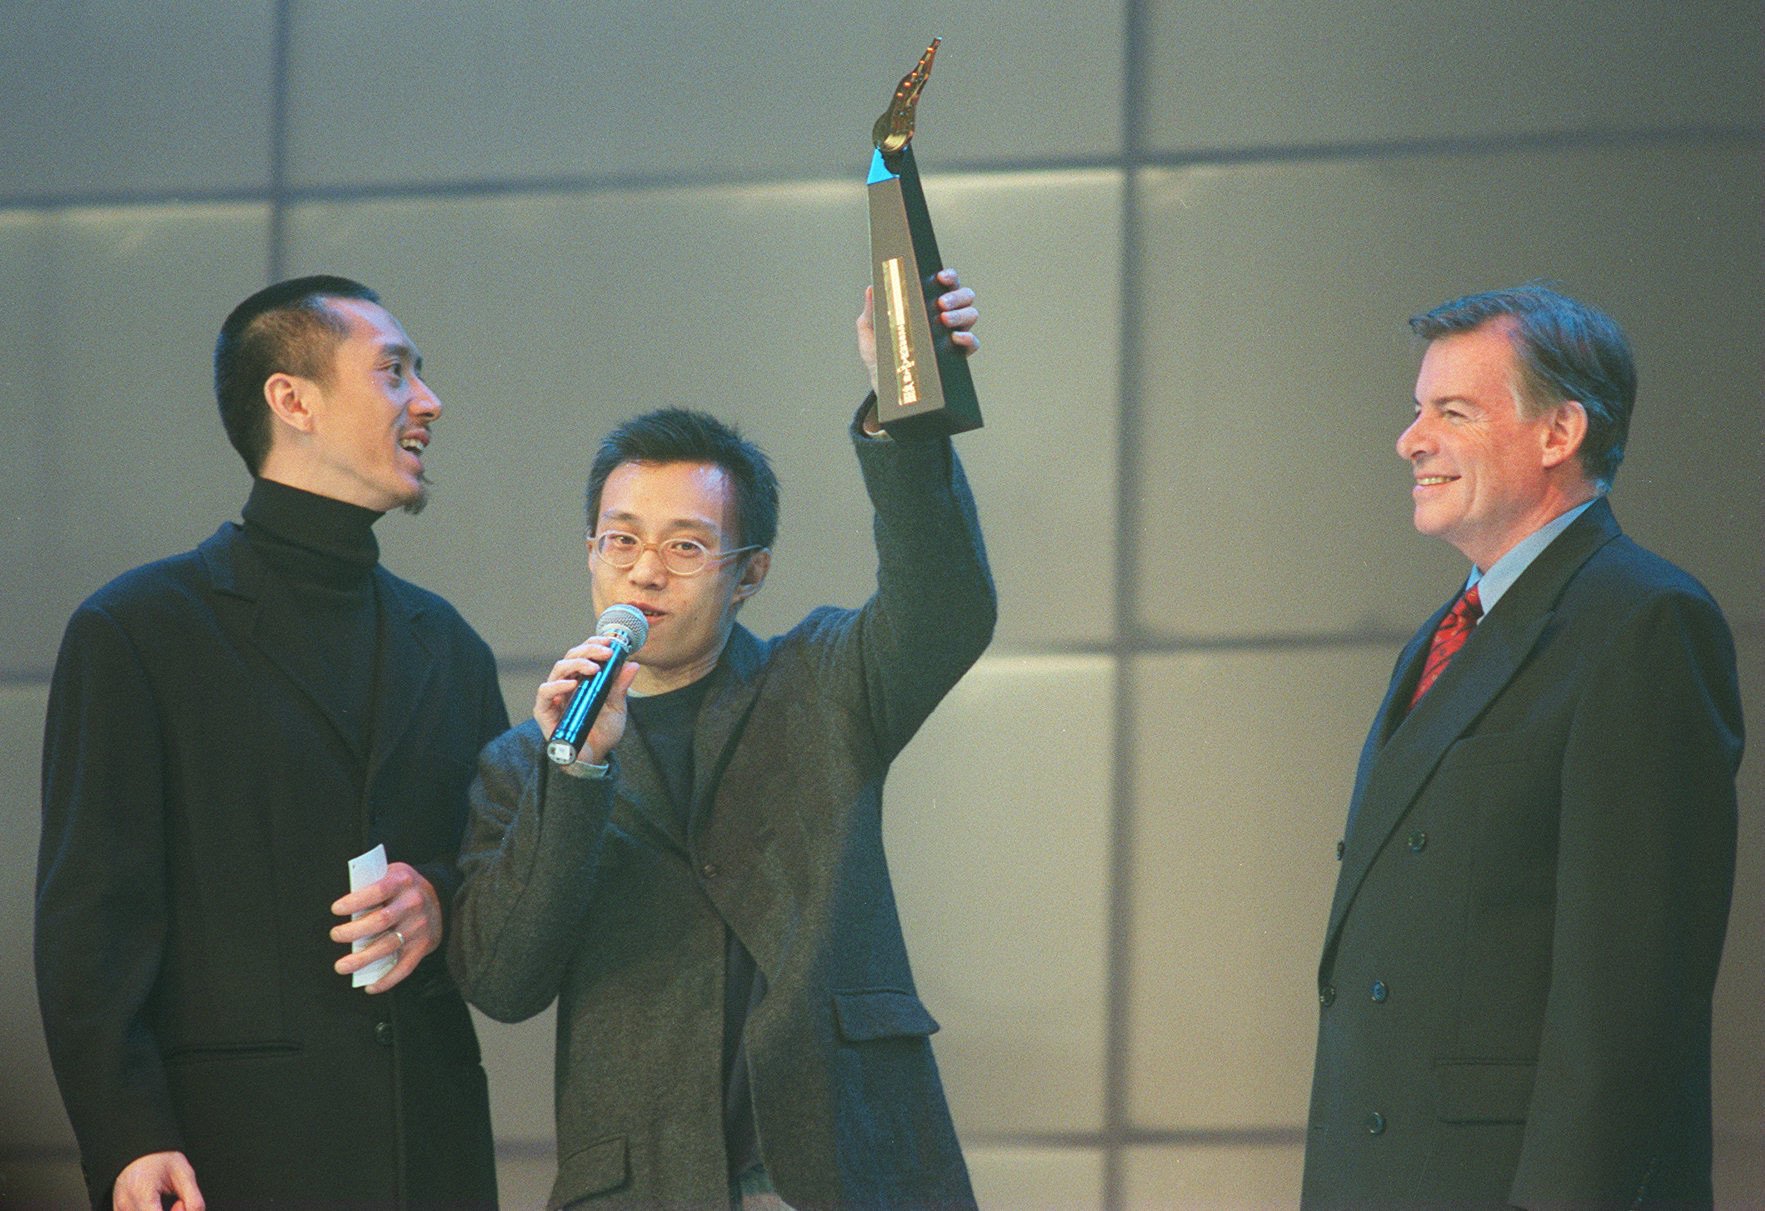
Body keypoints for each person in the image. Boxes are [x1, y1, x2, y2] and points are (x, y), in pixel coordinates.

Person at [449, 269, 993, 1209]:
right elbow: (501, 978)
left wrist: (906, 401)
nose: (646, 572)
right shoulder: (525, 763)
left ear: (749, 574)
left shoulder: (821, 680)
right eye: (620, 541)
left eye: (687, 546)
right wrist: (574, 771)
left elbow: (946, 606)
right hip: (647, 1181)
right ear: (590, 551)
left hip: (844, 1165)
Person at [36, 276, 506, 1210]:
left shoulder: (448, 643)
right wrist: (128, 1136)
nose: (429, 401)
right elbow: (93, 916)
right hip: (231, 1157)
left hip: (431, 1150)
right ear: (291, 400)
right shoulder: (140, 629)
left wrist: (444, 904)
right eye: (396, 371)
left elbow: (497, 866)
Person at [1302, 285, 1743, 1209]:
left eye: (1450, 412)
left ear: (1559, 433)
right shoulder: (1439, 634)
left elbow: (1625, 1006)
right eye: (1415, 410)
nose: (1409, 439)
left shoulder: (1643, 622)